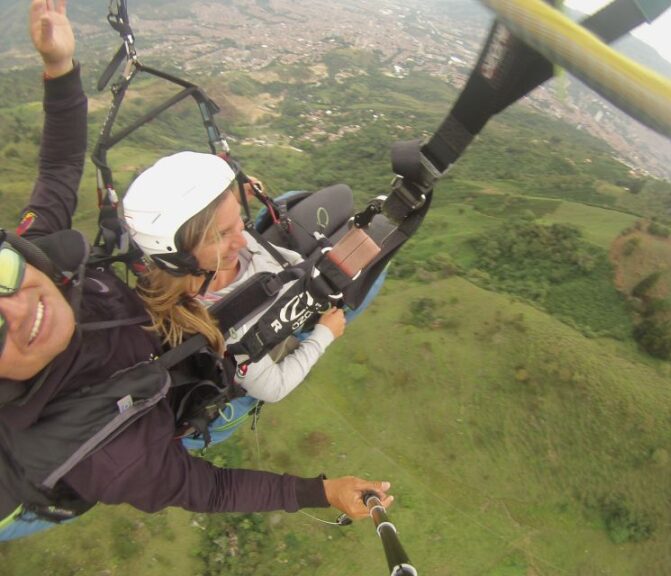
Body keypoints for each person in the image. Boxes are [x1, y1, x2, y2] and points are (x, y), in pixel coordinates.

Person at [0, 0, 392, 542]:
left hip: (145, 344)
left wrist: (60, 67)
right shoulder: (110, 453)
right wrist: (321, 491)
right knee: (217, 407)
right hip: (101, 445)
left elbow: (58, 170)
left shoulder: (30, 266)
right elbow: (211, 489)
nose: (20, 307)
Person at [122, 157, 354, 449]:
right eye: (221, 235)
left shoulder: (223, 250)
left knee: (289, 200)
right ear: (180, 255)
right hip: (248, 366)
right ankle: (206, 438)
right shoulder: (217, 326)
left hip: (286, 278)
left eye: (238, 223)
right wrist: (323, 335)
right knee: (360, 292)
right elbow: (274, 387)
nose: (242, 241)